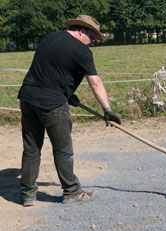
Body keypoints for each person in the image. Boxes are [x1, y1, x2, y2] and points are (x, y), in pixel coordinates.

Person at [17, 15, 121, 207]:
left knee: (31, 150)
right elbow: (95, 82)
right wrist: (107, 109)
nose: (92, 44)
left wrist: (67, 93)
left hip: (28, 98)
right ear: (82, 31)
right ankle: (72, 192)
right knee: (63, 150)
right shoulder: (82, 51)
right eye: (92, 38)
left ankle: (27, 195)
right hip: (52, 104)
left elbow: (50, 69)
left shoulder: (49, 38)